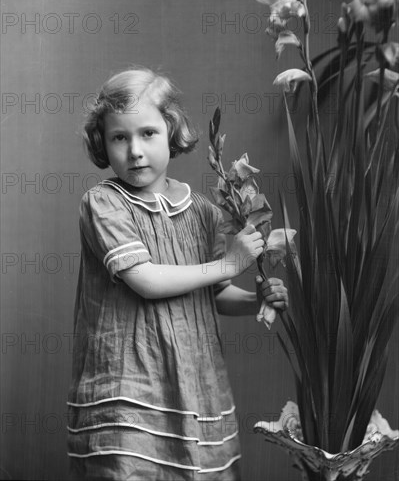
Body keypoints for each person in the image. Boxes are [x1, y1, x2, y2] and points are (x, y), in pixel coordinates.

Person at [67, 67, 288, 481]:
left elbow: (212, 294)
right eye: (119, 137)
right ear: (103, 143)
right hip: (129, 391)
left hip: (194, 390)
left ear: (171, 130)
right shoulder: (103, 204)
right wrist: (227, 264)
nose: (134, 150)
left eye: (147, 133)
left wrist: (255, 299)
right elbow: (146, 281)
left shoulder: (203, 211)